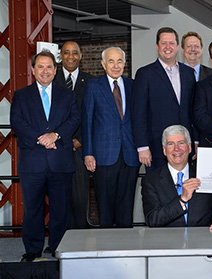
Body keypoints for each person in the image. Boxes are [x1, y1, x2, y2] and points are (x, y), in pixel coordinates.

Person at [10, 51, 80, 261]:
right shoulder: (21, 95)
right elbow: (17, 122)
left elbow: (75, 118)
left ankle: (57, 247)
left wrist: (55, 135)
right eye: (40, 66)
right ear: (33, 70)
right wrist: (42, 138)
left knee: (61, 209)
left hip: (60, 162)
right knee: (32, 209)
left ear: (55, 70)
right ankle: (32, 250)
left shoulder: (67, 95)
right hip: (33, 163)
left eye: (49, 66)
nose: (45, 70)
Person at [82, 47, 139, 228]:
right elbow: (87, 120)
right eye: (111, 61)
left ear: (125, 63)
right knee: (105, 208)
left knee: (126, 207)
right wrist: (88, 153)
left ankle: (126, 251)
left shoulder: (132, 85)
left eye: (119, 61)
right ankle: (106, 249)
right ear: (103, 64)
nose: (116, 66)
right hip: (103, 156)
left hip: (129, 156)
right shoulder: (93, 86)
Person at [141, 125, 212, 229]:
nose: (177, 149)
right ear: (164, 150)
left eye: (181, 143)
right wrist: (182, 199)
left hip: (202, 242)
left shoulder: (205, 174)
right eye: (171, 144)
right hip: (167, 242)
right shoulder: (151, 180)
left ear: (189, 148)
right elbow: (152, 220)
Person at [134, 27, 196, 170]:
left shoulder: (188, 73)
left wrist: (195, 141)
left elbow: (192, 110)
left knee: (185, 187)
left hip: (184, 146)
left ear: (177, 46)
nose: (168, 47)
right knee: (159, 189)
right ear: (157, 46)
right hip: (156, 147)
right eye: (164, 43)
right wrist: (142, 146)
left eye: (172, 43)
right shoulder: (145, 74)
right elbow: (138, 113)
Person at [54, 41, 93, 229]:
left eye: (75, 53)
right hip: (56, 149)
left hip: (80, 149)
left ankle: (80, 240)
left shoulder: (91, 81)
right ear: (61, 55)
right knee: (58, 198)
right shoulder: (51, 81)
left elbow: (94, 117)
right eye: (67, 53)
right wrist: (61, 139)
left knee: (80, 198)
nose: (71, 56)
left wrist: (80, 141)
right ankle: (60, 240)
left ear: (81, 56)